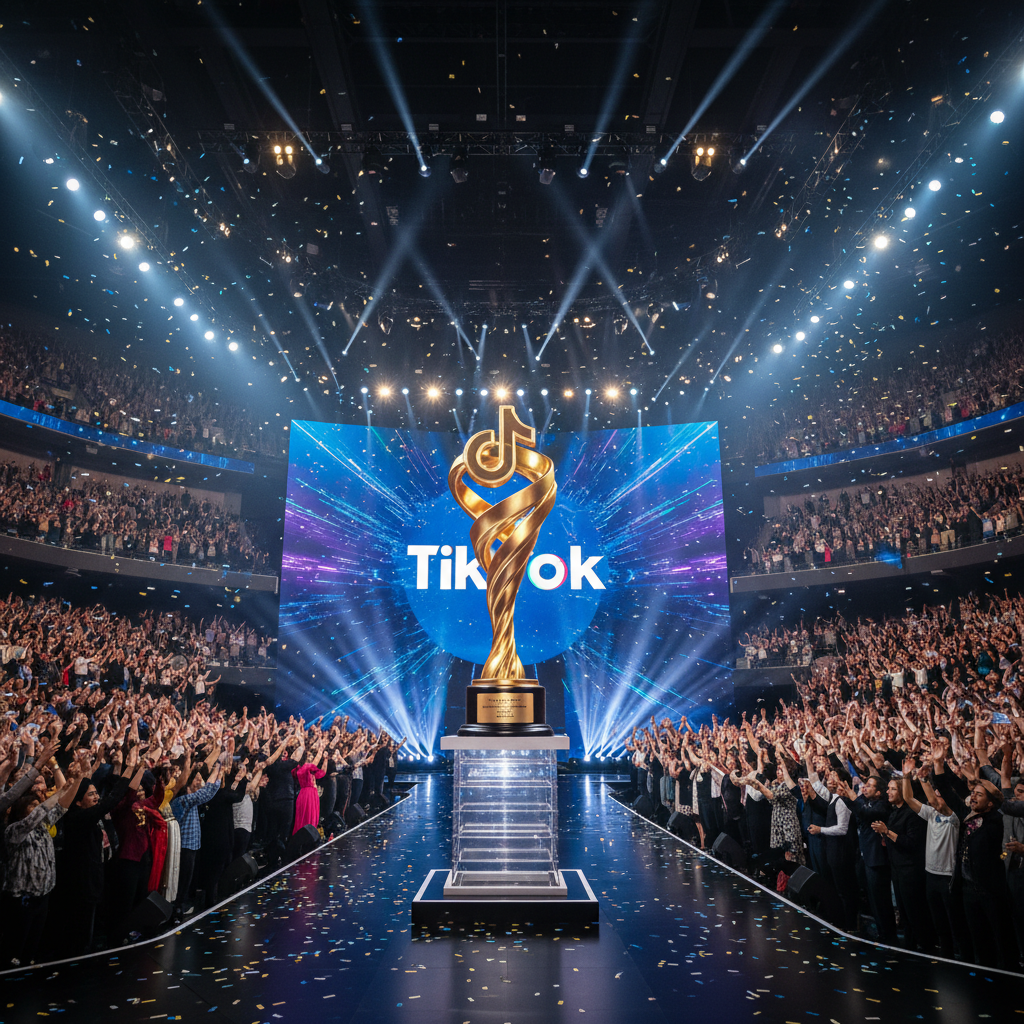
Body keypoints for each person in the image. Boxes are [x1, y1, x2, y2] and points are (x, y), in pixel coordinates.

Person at [0, 758, 83, 966]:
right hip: (21, 900)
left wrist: (77, 779)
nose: (37, 809)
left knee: (32, 945)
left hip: (43, 896)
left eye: (38, 804)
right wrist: (58, 792)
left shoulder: (43, 825)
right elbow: (36, 816)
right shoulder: (14, 831)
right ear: (21, 809)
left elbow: (63, 806)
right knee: (13, 948)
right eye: (32, 805)